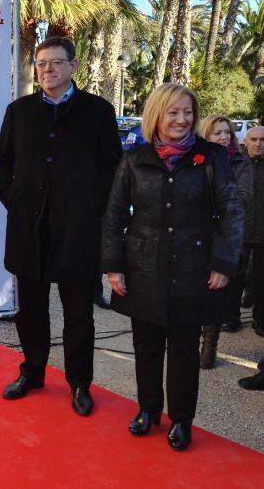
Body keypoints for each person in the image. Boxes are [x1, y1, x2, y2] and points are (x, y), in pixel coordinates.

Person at [102, 83, 243, 451]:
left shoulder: (211, 157)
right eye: (173, 112)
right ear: (157, 115)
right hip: (143, 269)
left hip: (192, 271)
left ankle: (181, 420)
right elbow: (114, 215)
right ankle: (148, 410)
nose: (182, 119)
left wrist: (223, 262)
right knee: (146, 346)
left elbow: (232, 212)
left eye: (188, 113)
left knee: (182, 351)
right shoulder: (135, 158)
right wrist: (113, 266)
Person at [0, 36, 122, 416]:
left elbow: (112, 167)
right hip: (28, 230)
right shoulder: (20, 111)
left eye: (56, 63)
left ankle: (79, 383)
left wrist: (91, 209)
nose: (48, 70)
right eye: (42, 63)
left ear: (73, 66)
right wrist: (14, 200)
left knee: (78, 313)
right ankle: (32, 372)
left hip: (77, 232)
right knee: (30, 309)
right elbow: (0, 162)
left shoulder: (97, 111)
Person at [197, 115, 252, 367]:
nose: (222, 137)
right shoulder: (195, 158)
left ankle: (209, 347)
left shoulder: (240, 162)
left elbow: (243, 197)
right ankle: (191, 341)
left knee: (217, 292)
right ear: (205, 136)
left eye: (226, 133)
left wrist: (216, 206)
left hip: (224, 236)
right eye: (217, 133)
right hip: (196, 235)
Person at [241, 126, 264, 337]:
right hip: (239, 231)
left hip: (262, 233)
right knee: (234, 277)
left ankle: (260, 319)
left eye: (262, 140)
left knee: (261, 279)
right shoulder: (237, 164)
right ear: (246, 141)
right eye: (254, 139)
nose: (258, 144)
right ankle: (230, 317)